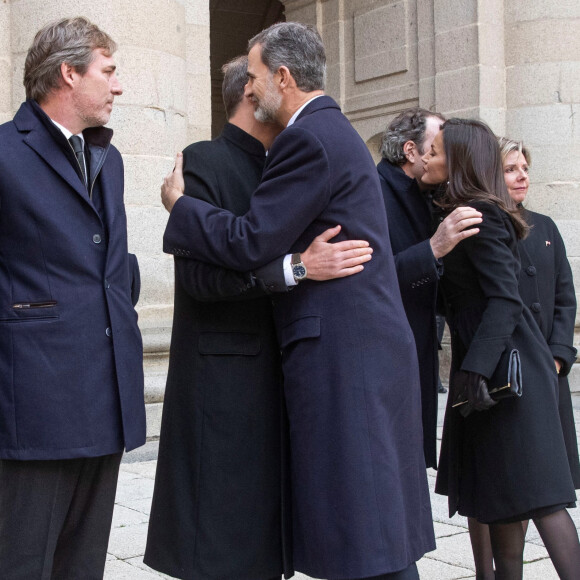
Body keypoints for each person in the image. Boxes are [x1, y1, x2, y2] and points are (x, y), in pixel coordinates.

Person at [161, 21, 435, 580]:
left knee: (364, 527)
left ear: (284, 77)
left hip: (344, 354)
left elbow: (249, 240)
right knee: (368, 522)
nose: (250, 88)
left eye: (257, 76)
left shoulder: (307, 139)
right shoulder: (334, 132)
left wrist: (179, 208)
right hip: (360, 349)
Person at [144, 55, 373, 580]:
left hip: (286, 376)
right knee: (225, 546)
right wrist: (296, 268)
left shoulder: (291, 160)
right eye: (256, 79)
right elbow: (199, 281)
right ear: (253, 94)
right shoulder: (205, 159)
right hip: (225, 389)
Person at [0, 17, 145, 580]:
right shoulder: (6, 152)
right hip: (33, 403)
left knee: (81, 566)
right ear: (68, 73)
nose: (118, 86)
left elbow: (111, 268)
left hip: (103, 395)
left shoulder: (108, 160)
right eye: (108, 72)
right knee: (20, 564)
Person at [426, 118, 580, 579]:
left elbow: (505, 298)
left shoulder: (482, 211)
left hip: (508, 373)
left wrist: (473, 369)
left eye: (435, 151)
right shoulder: (463, 210)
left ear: (458, 160)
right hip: (494, 374)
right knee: (504, 504)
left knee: (541, 499)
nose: (427, 157)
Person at [377, 107, 482, 468]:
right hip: (385, 353)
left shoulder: (432, 197)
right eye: (437, 145)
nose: (446, 153)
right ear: (411, 152)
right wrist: (433, 248)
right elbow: (368, 276)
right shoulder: (372, 193)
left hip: (419, 350)